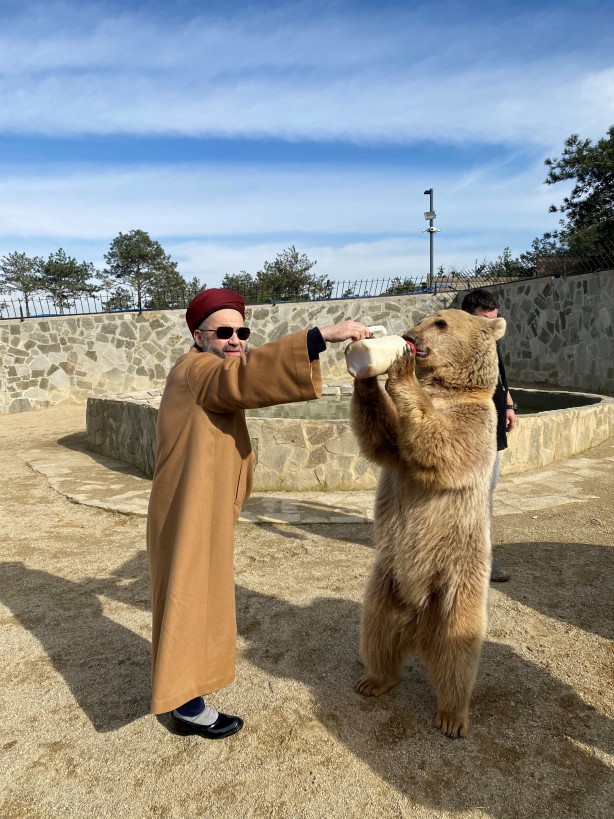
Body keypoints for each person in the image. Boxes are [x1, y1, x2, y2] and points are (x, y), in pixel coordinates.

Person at [146, 288, 370, 739]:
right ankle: (186, 708)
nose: (235, 340)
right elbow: (242, 379)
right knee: (189, 601)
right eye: (223, 332)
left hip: (197, 507)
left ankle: (187, 696)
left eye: (241, 332)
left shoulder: (203, 369)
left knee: (194, 598)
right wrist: (319, 337)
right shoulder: (199, 370)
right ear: (198, 335)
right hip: (188, 513)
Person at [461, 288, 517, 583]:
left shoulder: (489, 337)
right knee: (471, 494)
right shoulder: (453, 342)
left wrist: (508, 404)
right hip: (466, 432)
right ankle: (481, 559)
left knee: (486, 491)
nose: (489, 329)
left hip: (492, 427)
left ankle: (478, 555)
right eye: (483, 322)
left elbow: (500, 374)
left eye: (493, 322)